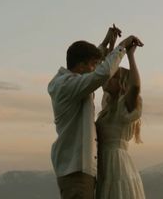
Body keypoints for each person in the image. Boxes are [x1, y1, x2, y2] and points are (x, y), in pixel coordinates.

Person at [48, 26, 143, 199]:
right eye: (92, 64)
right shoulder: (68, 85)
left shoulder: (72, 83)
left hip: (94, 168)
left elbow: (102, 72)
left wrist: (107, 43)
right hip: (77, 168)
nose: (95, 68)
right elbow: (102, 73)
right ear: (81, 66)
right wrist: (122, 47)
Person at [95, 35, 145, 199]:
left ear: (123, 84)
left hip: (116, 164)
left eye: (114, 78)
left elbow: (136, 86)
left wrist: (131, 56)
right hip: (104, 163)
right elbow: (105, 70)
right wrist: (111, 44)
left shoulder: (125, 107)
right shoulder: (108, 107)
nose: (108, 79)